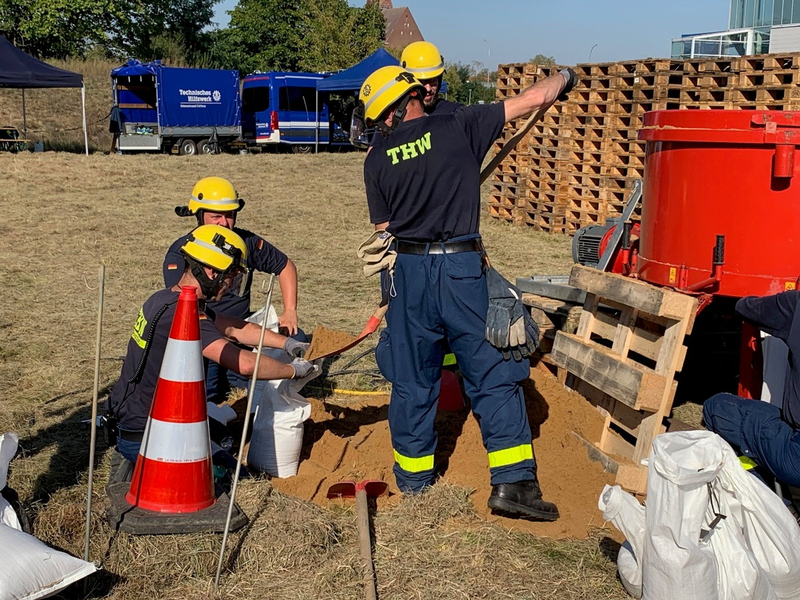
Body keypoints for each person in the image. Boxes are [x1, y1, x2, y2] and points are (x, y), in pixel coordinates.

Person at [353, 64, 577, 521]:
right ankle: (513, 486)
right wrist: (566, 78)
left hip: (409, 273)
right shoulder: (461, 123)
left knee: (413, 380)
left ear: (390, 111)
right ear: (414, 93)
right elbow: (535, 99)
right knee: (494, 373)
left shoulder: (375, 159)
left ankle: (414, 487)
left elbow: (384, 231)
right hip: (460, 268)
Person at [109, 224, 316, 471]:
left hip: (144, 420)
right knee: (229, 476)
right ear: (209, 271)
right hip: (149, 434)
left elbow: (234, 327)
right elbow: (245, 365)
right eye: (229, 276)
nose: (230, 285)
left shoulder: (166, 298)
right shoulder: (184, 315)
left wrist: (288, 343)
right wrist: (293, 370)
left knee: (224, 437)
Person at [164, 176, 302, 403]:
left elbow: (285, 266)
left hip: (243, 331)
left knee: (296, 339)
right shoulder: (181, 252)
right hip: (206, 335)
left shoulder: (244, 242)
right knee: (208, 395)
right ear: (199, 216)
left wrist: (290, 311)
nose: (223, 223)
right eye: (216, 216)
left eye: (229, 216)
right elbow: (182, 310)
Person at [703, 291, 800, 490]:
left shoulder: (795, 306)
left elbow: (745, 308)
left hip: (796, 458)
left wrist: (781, 300)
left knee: (717, 407)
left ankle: (773, 507)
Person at [400, 41, 462, 115]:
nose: (428, 89)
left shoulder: (453, 113)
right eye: (421, 82)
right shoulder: (391, 116)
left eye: (433, 81)